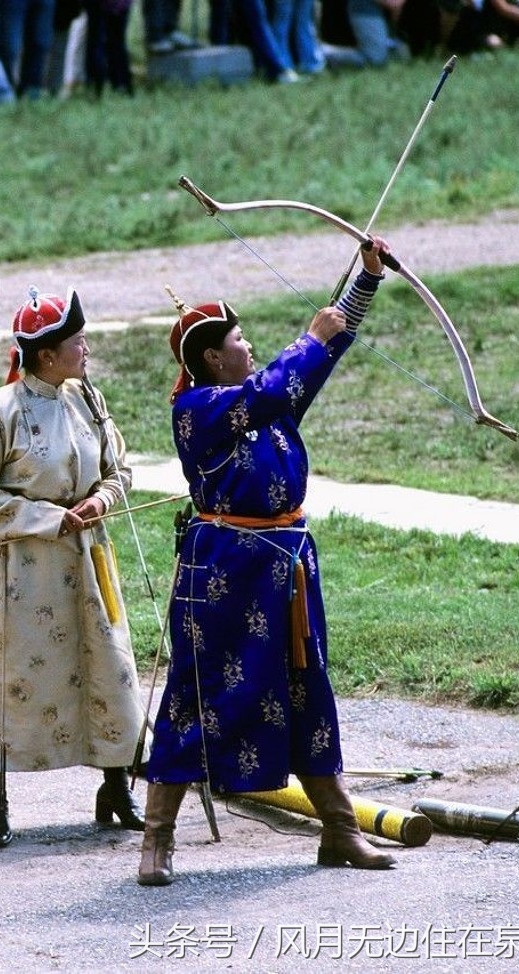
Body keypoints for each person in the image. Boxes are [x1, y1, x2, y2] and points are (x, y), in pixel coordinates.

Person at [138, 237, 398, 886]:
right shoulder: (197, 411)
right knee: (194, 700)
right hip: (223, 577)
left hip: (283, 577)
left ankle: (339, 832)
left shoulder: (265, 402)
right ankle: (156, 842)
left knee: (307, 692)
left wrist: (363, 282)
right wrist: (310, 337)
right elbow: (290, 372)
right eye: (239, 341)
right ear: (210, 358)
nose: (248, 347)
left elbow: (317, 359)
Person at [0, 287, 146, 848]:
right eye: (77, 342)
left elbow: (120, 470)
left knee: (106, 664)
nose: (85, 350)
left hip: (89, 557)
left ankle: (116, 785)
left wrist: (99, 503)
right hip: (21, 568)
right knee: (12, 675)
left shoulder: (88, 400)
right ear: (45, 354)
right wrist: (49, 518)